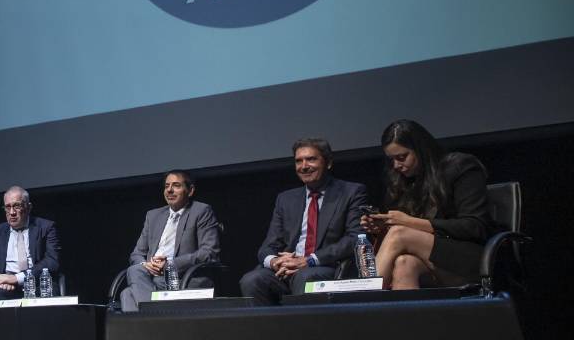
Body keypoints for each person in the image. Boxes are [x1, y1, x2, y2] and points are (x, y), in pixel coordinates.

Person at [362, 119, 499, 289]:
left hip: (470, 257)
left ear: (421, 150)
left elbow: (474, 227)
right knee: (404, 264)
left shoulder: (461, 166)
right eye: (392, 160)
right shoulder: (404, 182)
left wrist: (408, 222)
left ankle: (362, 297)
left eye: (402, 157)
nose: (396, 165)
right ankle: (394, 307)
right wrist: (382, 227)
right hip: (430, 258)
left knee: (399, 234)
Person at [240, 138, 368, 305]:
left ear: (328, 163)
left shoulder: (351, 192)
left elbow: (355, 237)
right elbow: (269, 245)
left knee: (305, 276)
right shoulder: (286, 199)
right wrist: (274, 261)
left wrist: (309, 260)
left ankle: (300, 323)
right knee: (252, 280)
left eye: (311, 159)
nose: (304, 166)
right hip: (288, 268)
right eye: (298, 161)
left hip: (326, 267)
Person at [120, 171, 220, 312]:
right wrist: (147, 265)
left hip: (182, 278)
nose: (169, 190)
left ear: (190, 190)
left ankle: (150, 317)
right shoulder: (153, 216)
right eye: (167, 186)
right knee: (135, 271)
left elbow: (209, 253)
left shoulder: (201, 211)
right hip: (150, 277)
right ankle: (154, 317)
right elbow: (136, 254)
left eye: (176, 185)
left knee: (128, 294)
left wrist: (169, 265)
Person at [0, 186, 60, 309]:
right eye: (7, 207)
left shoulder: (46, 227)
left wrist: (16, 278)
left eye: (17, 206)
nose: (12, 212)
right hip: (7, 289)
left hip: (39, 285)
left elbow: (52, 261)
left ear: (28, 207)